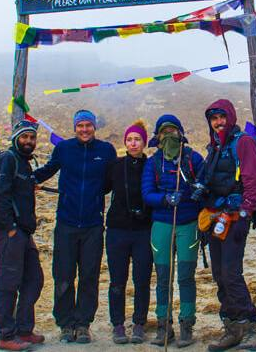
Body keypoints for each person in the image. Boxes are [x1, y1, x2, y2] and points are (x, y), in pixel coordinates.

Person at [34, 109, 117, 344]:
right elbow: (48, 170)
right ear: (74, 128)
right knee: (63, 275)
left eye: (88, 125)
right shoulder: (64, 149)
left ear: (94, 127)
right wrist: (28, 180)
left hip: (93, 224)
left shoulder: (106, 151)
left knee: (89, 276)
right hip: (66, 223)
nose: (84, 129)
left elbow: (112, 182)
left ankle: (83, 324)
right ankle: (65, 323)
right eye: (80, 125)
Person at [196, 99, 256, 351]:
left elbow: (253, 180)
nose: (218, 122)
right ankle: (232, 327)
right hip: (216, 217)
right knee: (219, 275)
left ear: (231, 117)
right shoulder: (214, 147)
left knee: (231, 273)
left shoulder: (243, 142)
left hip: (235, 218)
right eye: (213, 118)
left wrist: (246, 212)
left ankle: (251, 328)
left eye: (221, 117)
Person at [141, 114, 204, 348]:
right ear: (158, 137)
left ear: (181, 133)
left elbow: (206, 183)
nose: (169, 135)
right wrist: (166, 199)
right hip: (162, 225)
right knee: (164, 279)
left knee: (186, 277)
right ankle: (163, 327)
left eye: (173, 131)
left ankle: (187, 326)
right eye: (164, 132)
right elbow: (147, 194)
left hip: (188, 225)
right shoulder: (153, 162)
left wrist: (200, 191)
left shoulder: (193, 159)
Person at [0, 120, 45, 351]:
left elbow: (16, 190)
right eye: (24, 137)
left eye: (32, 138)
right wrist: (10, 227)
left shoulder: (24, 163)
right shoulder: (8, 159)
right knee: (8, 283)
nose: (28, 141)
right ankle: (6, 335)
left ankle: (24, 329)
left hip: (23, 232)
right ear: (15, 138)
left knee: (34, 279)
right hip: (10, 232)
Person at [103, 120, 153, 344]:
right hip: (117, 231)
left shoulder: (151, 166)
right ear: (125, 142)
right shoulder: (115, 165)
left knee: (142, 279)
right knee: (117, 280)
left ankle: (139, 323)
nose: (133, 143)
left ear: (144, 142)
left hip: (144, 231)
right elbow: (100, 187)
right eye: (130, 139)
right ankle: (118, 324)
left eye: (137, 140)